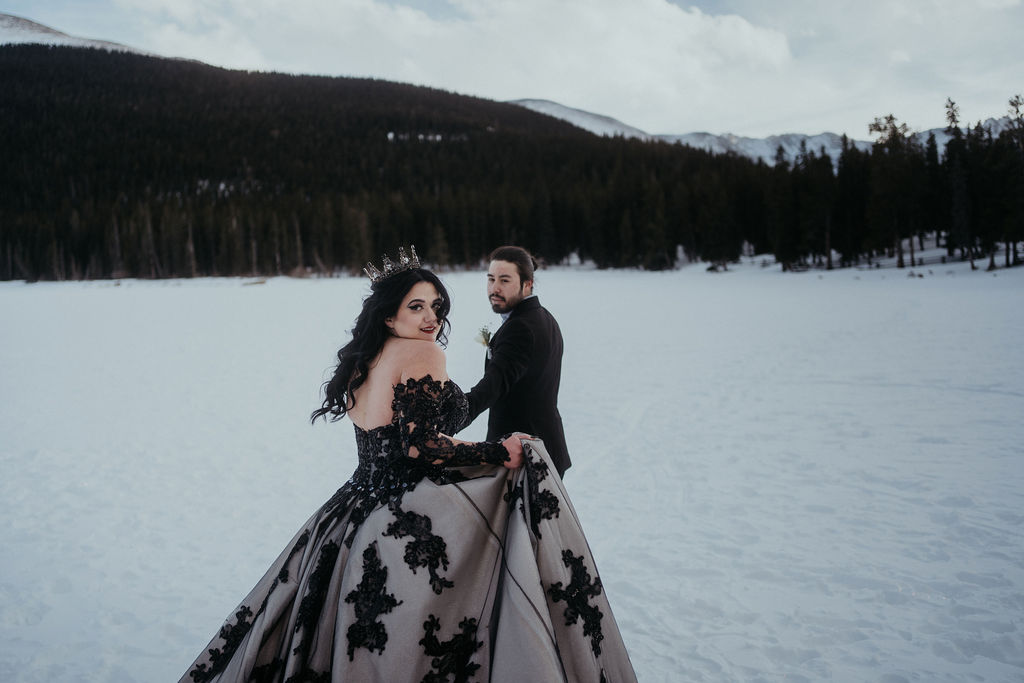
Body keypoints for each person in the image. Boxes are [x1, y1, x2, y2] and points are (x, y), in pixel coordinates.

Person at [179, 247, 636, 683]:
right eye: (416, 307)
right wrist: (501, 452)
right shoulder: (424, 354)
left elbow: (402, 439)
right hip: (403, 512)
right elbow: (420, 448)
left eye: (436, 307)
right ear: (389, 314)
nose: (431, 318)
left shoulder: (367, 357)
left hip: (352, 511)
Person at [461, 246, 572, 477]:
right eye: (490, 279)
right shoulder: (543, 317)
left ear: (527, 283)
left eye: (504, 280)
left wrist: (451, 416)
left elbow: (495, 384)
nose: (494, 288)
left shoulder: (520, 328)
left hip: (524, 456)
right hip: (544, 447)